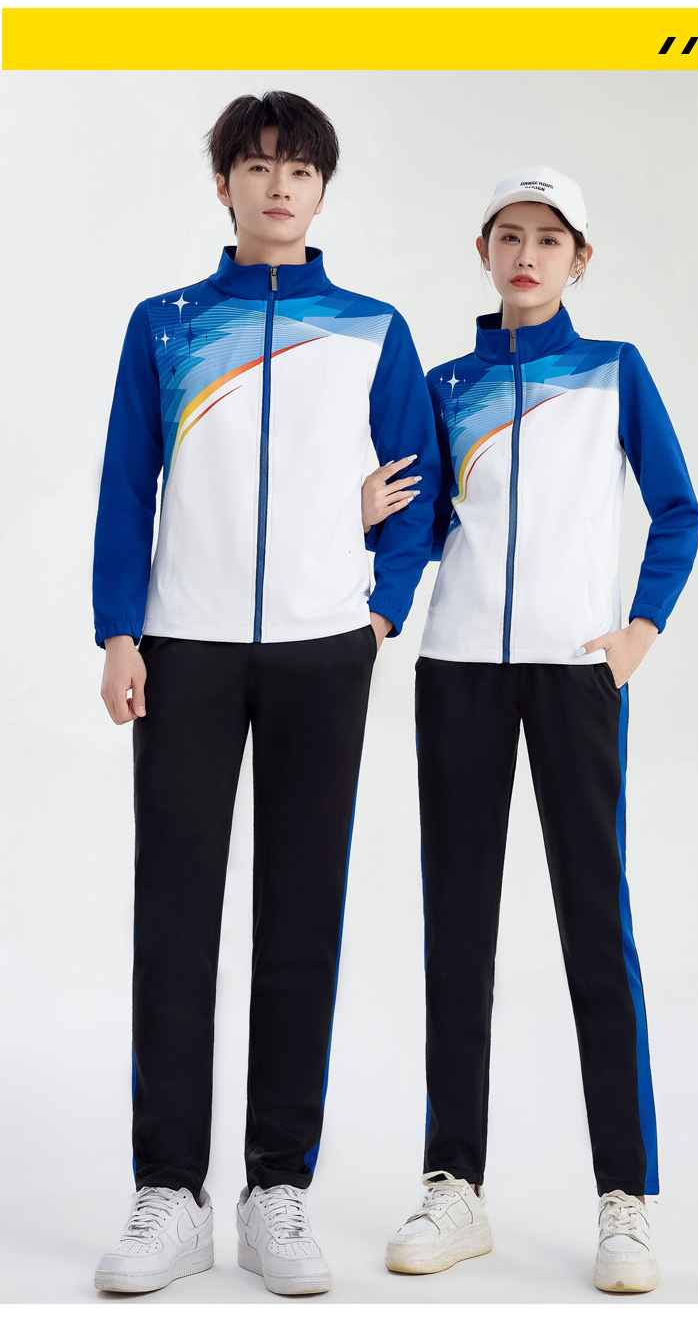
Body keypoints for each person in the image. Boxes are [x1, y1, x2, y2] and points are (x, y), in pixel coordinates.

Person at [91, 89, 439, 1297]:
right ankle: (169, 1192)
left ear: (322, 191)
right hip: (182, 649)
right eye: (257, 165)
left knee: (301, 916)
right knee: (174, 920)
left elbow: (419, 488)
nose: (279, 185)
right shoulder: (166, 325)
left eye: (299, 169)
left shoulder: (371, 329)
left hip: (321, 652)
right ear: (224, 185)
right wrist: (118, 631)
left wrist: (379, 609)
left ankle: (275, 1187)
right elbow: (126, 485)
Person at [368, 166, 698, 1293]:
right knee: (456, 930)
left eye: (548, 239)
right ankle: (453, 1185)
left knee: (594, 928)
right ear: (483, 251)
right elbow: (414, 529)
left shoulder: (615, 373)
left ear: (579, 260)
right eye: (508, 236)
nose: (526, 254)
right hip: (457, 671)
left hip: (575, 674)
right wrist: (362, 544)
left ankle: (625, 1199)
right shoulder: (443, 383)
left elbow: (678, 507)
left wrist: (638, 631)